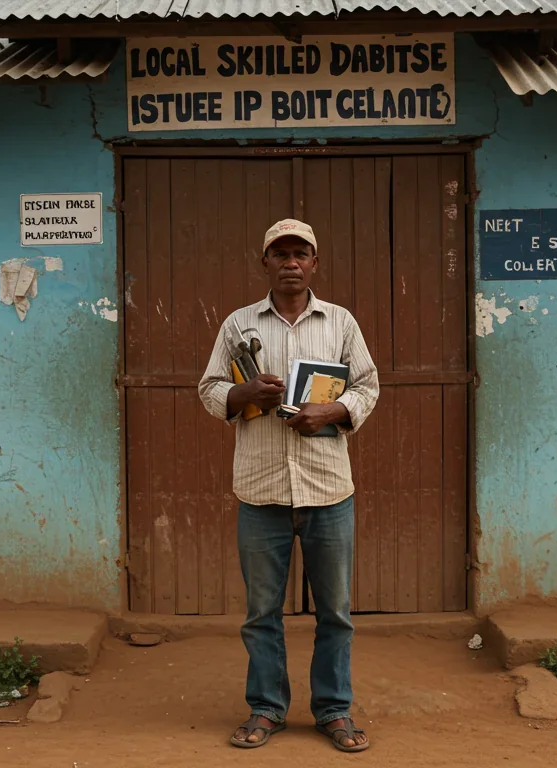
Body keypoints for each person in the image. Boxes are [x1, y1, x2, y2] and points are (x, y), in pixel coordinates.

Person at [197, 218, 380, 753]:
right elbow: (210, 389)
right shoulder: (237, 325)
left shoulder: (341, 323)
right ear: (266, 264)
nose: (291, 263)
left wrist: (333, 409)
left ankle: (334, 711)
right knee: (261, 614)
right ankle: (267, 709)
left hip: (328, 491)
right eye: (280, 255)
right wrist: (244, 393)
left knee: (336, 613)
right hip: (261, 493)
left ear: (315, 263)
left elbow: (368, 386)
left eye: (301, 254)